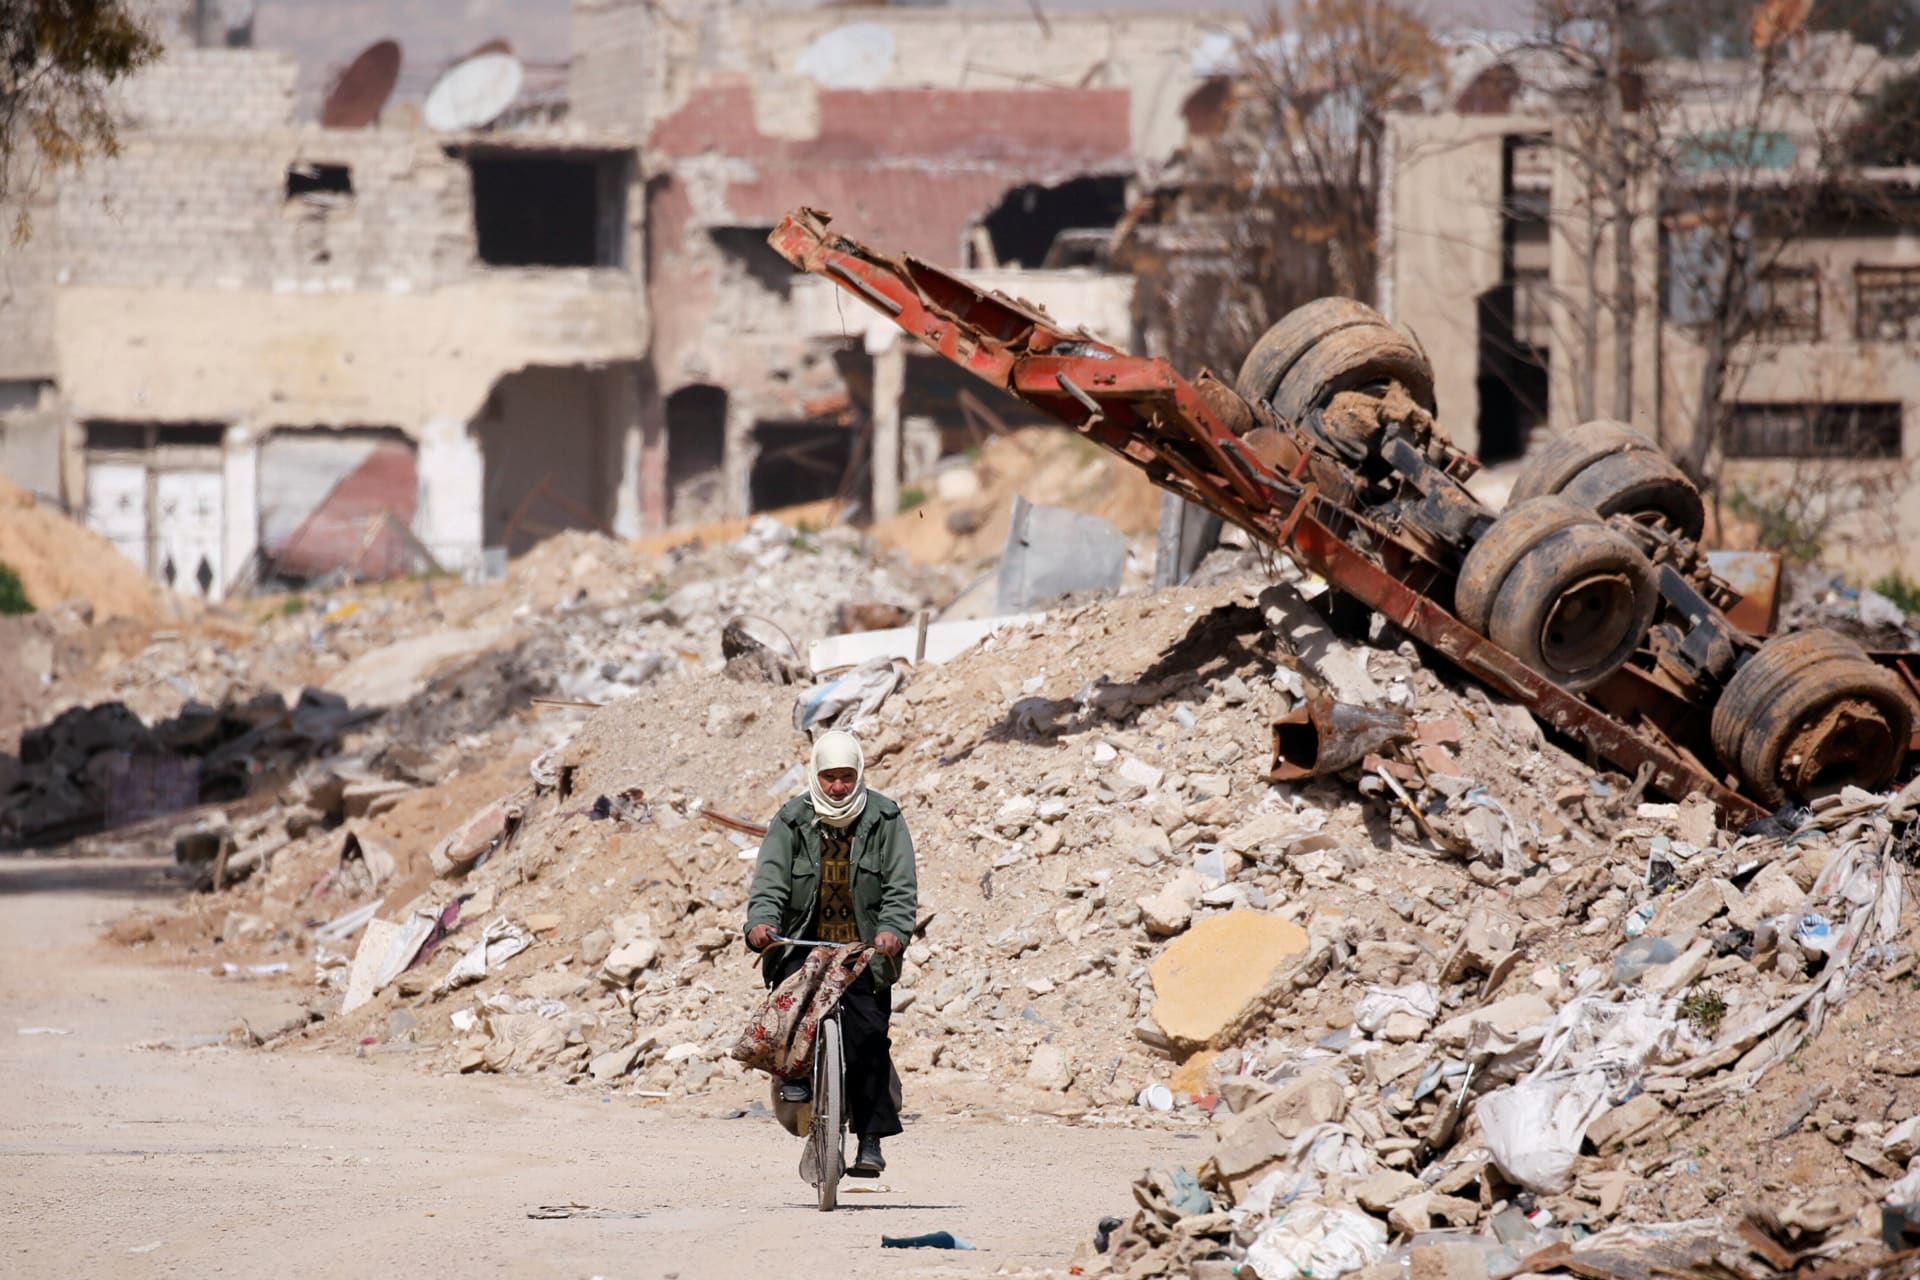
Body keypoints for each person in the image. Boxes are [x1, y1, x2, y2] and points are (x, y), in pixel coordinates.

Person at [745, 729, 918, 1176]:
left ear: (859, 773)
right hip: (806, 941)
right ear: (815, 775)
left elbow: (900, 890)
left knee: (870, 1040)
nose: (838, 787)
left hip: (863, 949)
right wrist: (761, 926)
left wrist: (892, 932)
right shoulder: (791, 820)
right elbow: (769, 884)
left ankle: (871, 1142)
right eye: (829, 778)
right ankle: (796, 1077)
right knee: (791, 1013)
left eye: (846, 777)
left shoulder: (885, 818)